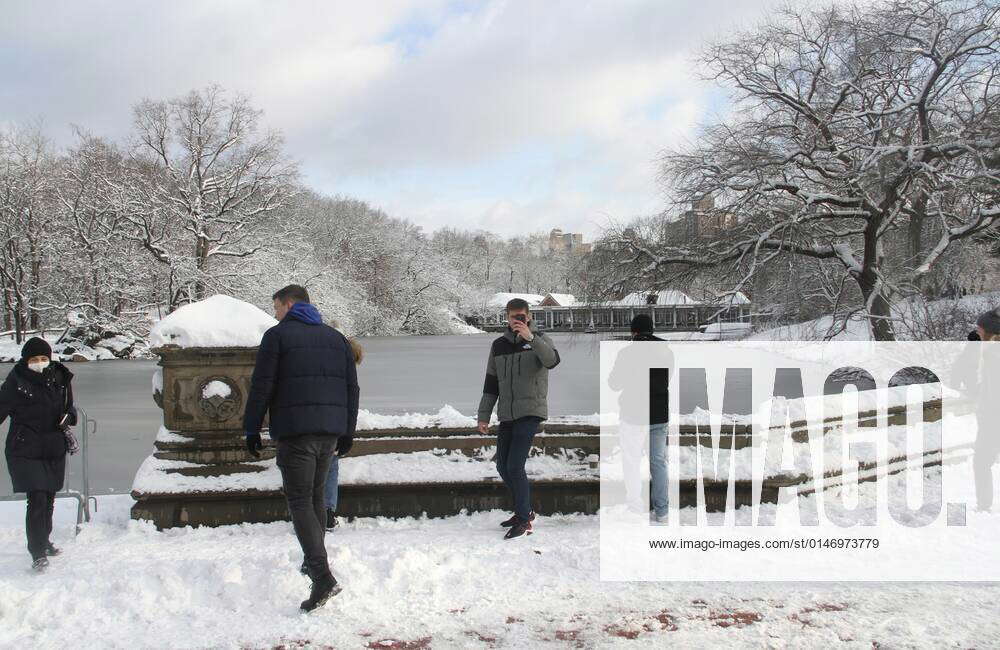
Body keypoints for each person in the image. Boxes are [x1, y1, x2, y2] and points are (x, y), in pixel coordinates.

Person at [243, 285, 359, 612]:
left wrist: (251, 428)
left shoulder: (277, 336)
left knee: (299, 500)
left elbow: (261, 386)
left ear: (290, 304)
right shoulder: (336, 339)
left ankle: (322, 576)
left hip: (296, 433)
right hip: (329, 434)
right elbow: (352, 389)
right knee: (315, 498)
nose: (275, 313)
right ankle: (314, 565)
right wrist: (347, 431)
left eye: (276, 307)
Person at [477, 298, 560, 540]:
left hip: (531, 411)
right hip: (507, 414)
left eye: (521, 317)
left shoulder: (541, 340)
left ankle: (524, 519)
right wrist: (484, 416)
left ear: (529, 316)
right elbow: (491, 384)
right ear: (507, 317)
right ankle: (524, 510)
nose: (517, 321)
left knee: (515, 465)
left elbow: (552, 361)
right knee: (503, 466)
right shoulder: (499, 345)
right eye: (513, 317)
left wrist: (530, 338)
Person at [1, 337, 78, 572]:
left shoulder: (60, 377)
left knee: (49, 498)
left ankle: (44, 541)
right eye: (34, 359)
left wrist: (70, 416)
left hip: (53, 446)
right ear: (26, 360)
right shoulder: (15, 382)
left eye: (44, 358)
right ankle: (36, 552)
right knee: (37, 499)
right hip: (25, 448)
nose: (40, 363)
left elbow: (70, 407)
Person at [607, 314, 671, 523]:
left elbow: (614, 383)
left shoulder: (627, 353)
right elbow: (665, 380)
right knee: (658, 463)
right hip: (659, 415)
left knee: (632, 462)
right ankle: (662, 511)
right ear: (651, 330)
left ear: (633, 331)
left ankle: (636, 508)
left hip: (634, 415)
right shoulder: (666, 352)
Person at [321, 337, 364, 533]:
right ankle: (328, 512)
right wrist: (347, 432)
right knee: (330, 467)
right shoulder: (345, 368)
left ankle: (315, 514)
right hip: (334, 424)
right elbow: (351, 398)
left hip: (311, 423)